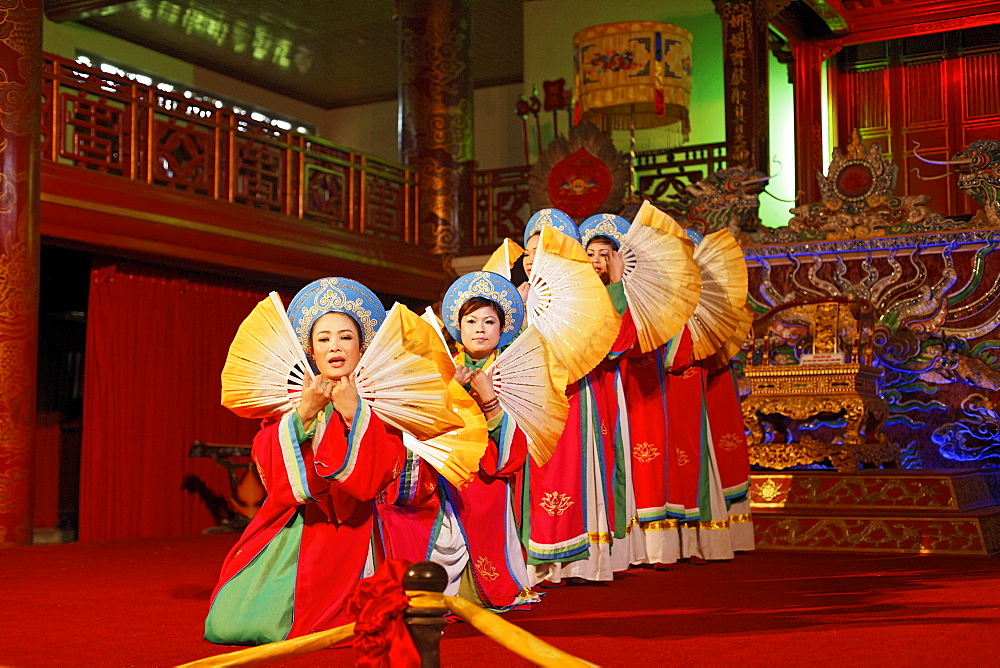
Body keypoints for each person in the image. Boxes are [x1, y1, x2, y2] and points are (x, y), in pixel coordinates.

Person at [205, 277, 408, 645]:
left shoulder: (380, 402)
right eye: (324, 338)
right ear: (310, 351)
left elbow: (380, 471)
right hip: (298, 521)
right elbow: (267, 456)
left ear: (362, 347)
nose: (335, 346)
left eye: (346, 337)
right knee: (229, 623)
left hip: (354, 526)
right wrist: (302, 416)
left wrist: (354, 415)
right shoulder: (293, 398)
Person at [377, 271, 536, 611]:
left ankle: (473, 590)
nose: (480, 328)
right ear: (458, 328)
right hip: (439, 471)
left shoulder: (515, 372)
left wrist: (490, 401)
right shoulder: (440, 367)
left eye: (489, 321)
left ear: (502, 328)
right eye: (471, 320)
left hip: (485, 476)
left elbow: (513, 451)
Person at [519, 209, 640, 584]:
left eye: (544, 252)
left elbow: (618, 343)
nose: (532, 260)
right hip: (529, 399)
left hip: (577, 397)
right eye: (527, 253)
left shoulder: (585, 296)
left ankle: (578, 561)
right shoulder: (518, 296)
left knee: (572, 469)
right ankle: (533, 559)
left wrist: (616, 287)